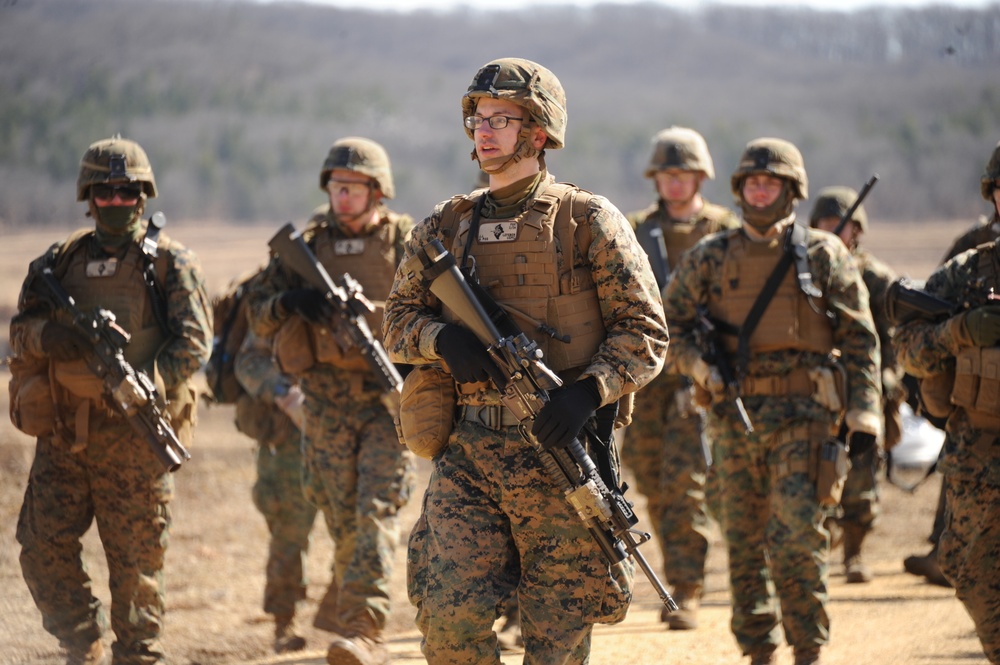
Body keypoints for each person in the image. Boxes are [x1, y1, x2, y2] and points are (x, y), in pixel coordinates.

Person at [381, 57, 668, 665]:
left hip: (560, 455)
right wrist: (441, 340)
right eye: (478, 119)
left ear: (538, 132)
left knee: (555, 642)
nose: (483, 131)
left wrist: (587, 393)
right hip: (471, 453)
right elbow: (397, 321)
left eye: (500, 120)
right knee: (448, 621)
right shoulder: (446, 225)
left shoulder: (588, 220)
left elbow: (645, 333)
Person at [661, 137, 881, 665]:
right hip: (733, 419)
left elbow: (859, 338)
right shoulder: (710, 257)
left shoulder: (824, 255)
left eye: (772, 182)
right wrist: (698, 365)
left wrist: (864, 413)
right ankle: (758, 649)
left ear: (791, 190)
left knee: (797, 535)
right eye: (752, 182)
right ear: (739, 189)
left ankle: (807, 647)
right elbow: (669, 328)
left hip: (807, 416)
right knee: (742, 538)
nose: (760, 191)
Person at [9, 136, 212, 665]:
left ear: (142, 196)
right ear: (88, 196)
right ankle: (83, 638)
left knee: (137, 568)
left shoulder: (170, 264)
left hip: (135, 439)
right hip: (66, 435)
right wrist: (53, 338)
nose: (116, 201)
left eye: (127, 192)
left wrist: (148, 383)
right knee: (40, 547)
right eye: (105, 192)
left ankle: (137, 655)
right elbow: (21, 330)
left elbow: (194, 343)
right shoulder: (58, 263)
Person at [244, 136, 416, 665]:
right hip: (324, 404)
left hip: (388, 402)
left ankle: (363, 629)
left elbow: (440, 306)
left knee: (375, 512)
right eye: (336, 187)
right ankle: (352, 617)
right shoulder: (306, 247)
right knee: (341, 517)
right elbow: (258, 312)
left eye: (354, 188)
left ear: (378, 192)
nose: (343, 197)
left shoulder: (408, 240)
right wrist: (294, 301)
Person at [623, 126, 739, 629]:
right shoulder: (633, 229)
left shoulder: (724, 230)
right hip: (646, 375)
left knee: (687, 484)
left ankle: (687, 589)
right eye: (667, 174)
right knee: (650, 480)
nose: (675, 183)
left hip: (697, 373)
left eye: (684, 174)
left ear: (700, 176)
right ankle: (679, 578)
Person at [891, 139, 1000, 664]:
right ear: (993, 196)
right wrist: (961, 331)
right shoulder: (967, 273)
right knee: (967, 568)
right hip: (979, 452)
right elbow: (908, 348)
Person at [808, 186, 903, 584]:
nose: (834, 232)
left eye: (841, 226)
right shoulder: (806, 270)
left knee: (862, 476)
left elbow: (893, 339)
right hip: (820, 393)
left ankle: (855, 553)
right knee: (820, 471)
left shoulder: (876, 278)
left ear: (857, 232)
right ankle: (820, 549)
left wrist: (886, 384)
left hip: (864, 389)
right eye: (826, 226)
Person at [231, 321, 318, 653]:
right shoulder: (281, 295)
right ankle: (284, 621)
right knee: (288, 532)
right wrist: (285, 395)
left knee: (361, 523)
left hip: (353, 422)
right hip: (289, 435)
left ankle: (355, 620)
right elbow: (249, 361)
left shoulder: (372, 272)